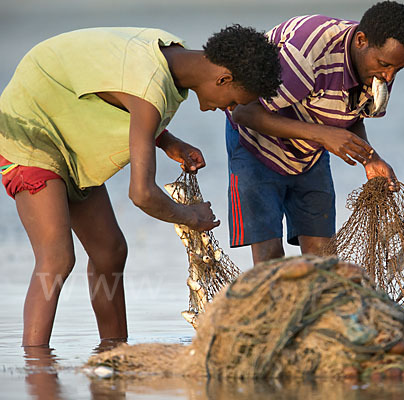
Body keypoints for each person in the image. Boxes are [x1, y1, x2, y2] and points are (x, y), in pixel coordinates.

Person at [0, 25, 281, 346]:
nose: (228, 109)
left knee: (110, 250)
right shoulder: (152, 86)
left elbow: (118, 91)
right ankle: (35, 365)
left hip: (69, 130)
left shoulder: (171, 52)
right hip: (28, 127)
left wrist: (166, 141)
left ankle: (114, 349)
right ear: (223, 79)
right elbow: (141, 194)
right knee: (57, 259)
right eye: (233, 101)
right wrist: (191, 217)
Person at [227, 1, 404, 265]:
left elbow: (351, 117)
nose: (388, 77)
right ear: (361, 41)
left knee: (323, 257)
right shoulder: (309, 53)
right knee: (269, 259)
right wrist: (323, 135)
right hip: (257, 147)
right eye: (385, 65)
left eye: (398, 69)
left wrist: (370, 158)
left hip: (311, 152)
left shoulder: (381, 69)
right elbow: (244, 112)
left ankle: (314, 307)